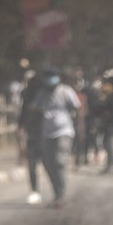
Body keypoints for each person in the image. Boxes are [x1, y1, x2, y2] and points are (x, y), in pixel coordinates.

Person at [39, 67, 82, 207]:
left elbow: (78, 107)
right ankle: (56, 192)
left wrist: (81, 127)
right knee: (48, 163)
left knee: (59, 161)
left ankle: (61, 194)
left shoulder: (65, 91)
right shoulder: (42, 93)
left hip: (64, 131)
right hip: (47, 133)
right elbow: (35, 109)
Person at [18, 68, 47, 204]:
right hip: (32, 135)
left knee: (48, 164)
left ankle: (58, 192)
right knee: (32, 164)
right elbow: (23, 113)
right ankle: (35, 190)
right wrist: (21, 128)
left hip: (46, 135)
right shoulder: (27, 96)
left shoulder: (46, 97)